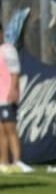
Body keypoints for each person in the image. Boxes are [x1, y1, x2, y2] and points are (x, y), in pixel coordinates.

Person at [0, 25, 22, 169]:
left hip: (7, 97)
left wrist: (13, 89)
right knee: (1, 131)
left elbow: (15, 72)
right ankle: (4, 162)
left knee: (10, 129)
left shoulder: (8, 49)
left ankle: (17, 161)